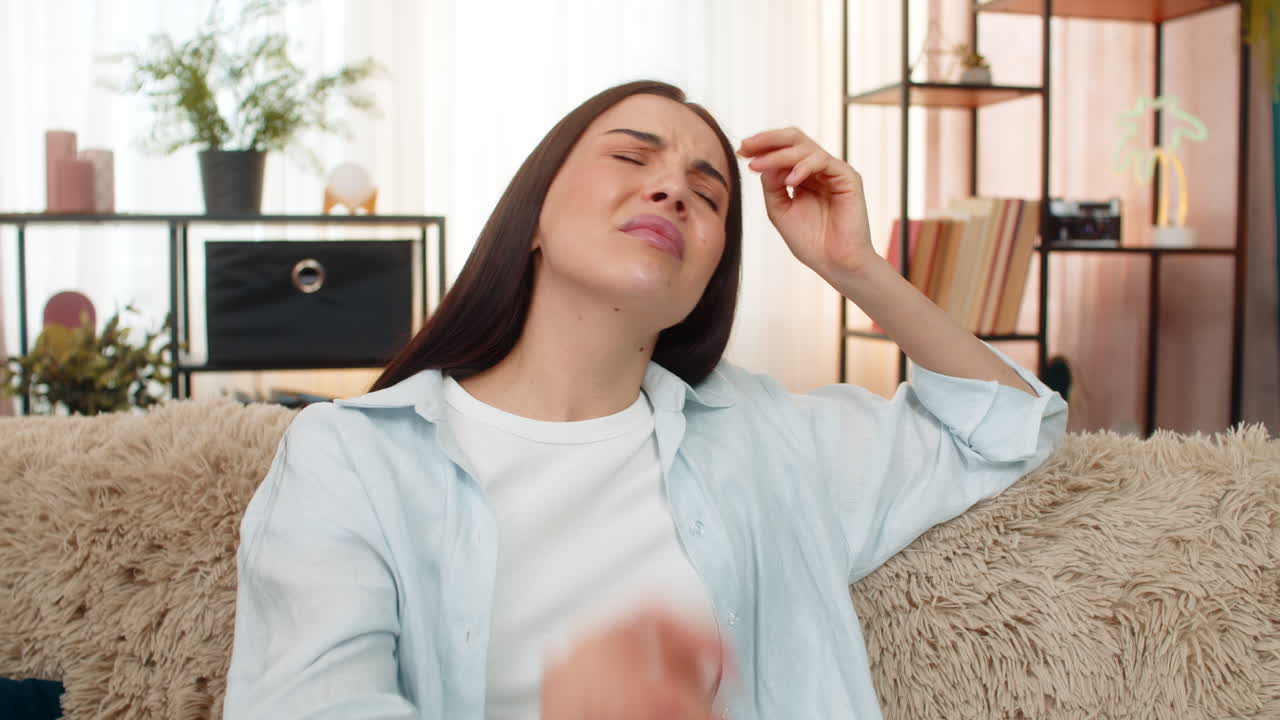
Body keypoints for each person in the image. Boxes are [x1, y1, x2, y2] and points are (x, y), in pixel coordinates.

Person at [223, 80, 1067, 720]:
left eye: (708, 196)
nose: (672, 191)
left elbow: (1005, 427)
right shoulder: (352, 458)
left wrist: (857, 270)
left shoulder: (769, 440)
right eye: (632, 158)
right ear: (534, 217)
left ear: (707, 278)